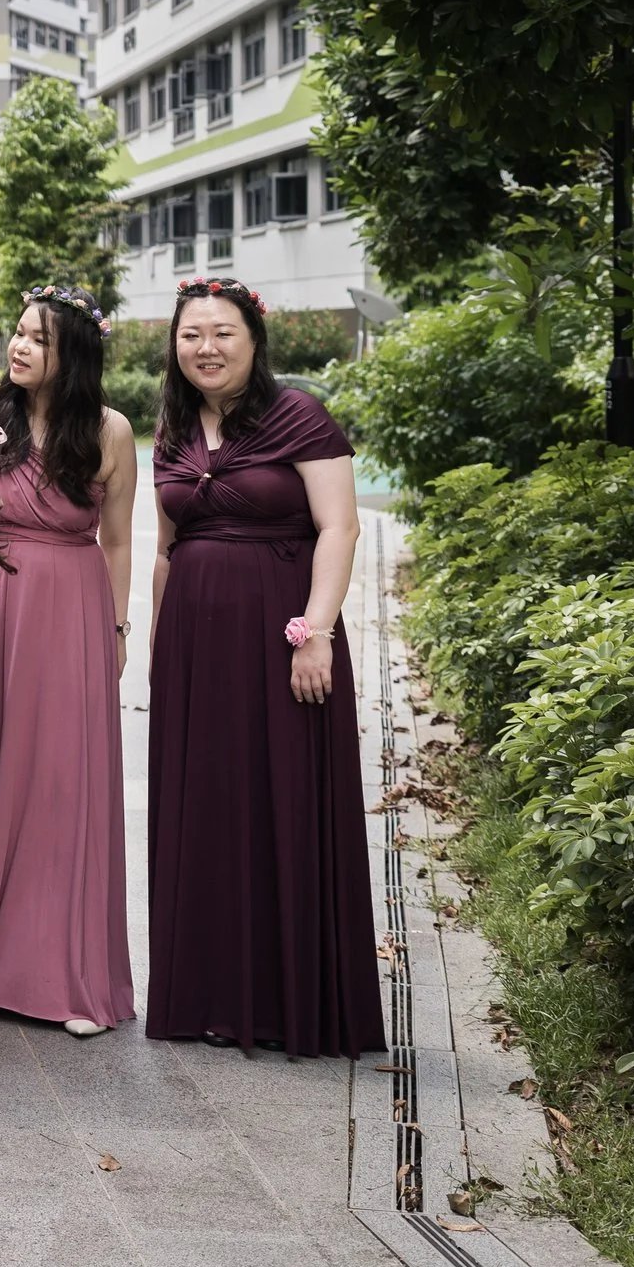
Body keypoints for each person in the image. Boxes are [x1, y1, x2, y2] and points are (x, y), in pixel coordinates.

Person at [146, 276, 383, 1058]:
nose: (205, 348)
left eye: (221, 333)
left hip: (282, 638)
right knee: (206, 804)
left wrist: (317, 629)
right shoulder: (175, 428)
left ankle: (286, 1003)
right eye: (191, 335)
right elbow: (165, 549)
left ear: (254, 340)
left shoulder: (300, 415)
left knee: (280, 800)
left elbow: (339, 528)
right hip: (195, 647)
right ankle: (207, 996)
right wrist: (156, 651)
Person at [0, 285, 139, 1038]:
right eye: (18, 331)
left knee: (62, 784)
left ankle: (66, 973)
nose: (20, 345)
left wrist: (121, 625)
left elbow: (121, 539)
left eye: (40, 338)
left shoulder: (109, 430)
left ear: (74, 355)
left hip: (71, 611)